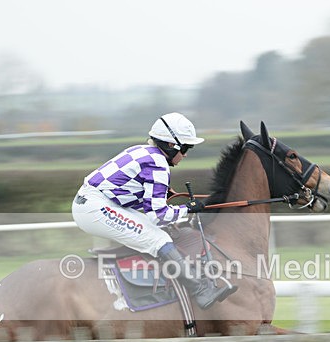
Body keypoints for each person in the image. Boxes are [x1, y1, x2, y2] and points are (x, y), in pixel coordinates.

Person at [72, 112, 236, 310]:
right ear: (170, 145)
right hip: (95, 208)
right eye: (185, 148)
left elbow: (134, 195)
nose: (185, 154)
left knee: (157, 231)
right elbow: (159, 216)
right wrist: (187, 209)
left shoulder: (144, 151)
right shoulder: (157, 163)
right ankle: (201, 291)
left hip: (96, 203)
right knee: (159, 239)